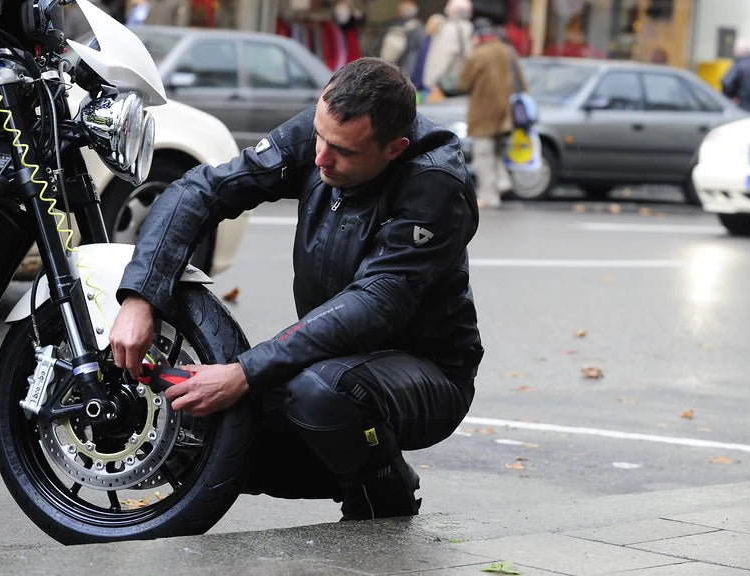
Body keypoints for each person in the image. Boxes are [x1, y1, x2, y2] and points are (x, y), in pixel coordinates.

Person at [109, 57, 482, 521]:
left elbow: (375, 303)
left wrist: (244, 372)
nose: (320, 157)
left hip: (428, 374)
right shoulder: (325, 129)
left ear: (393, 149)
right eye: (319, 138)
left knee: (319, 393)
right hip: (330, 354)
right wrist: (141, 296)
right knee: (198, 434)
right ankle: (350, 463)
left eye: (342, 151)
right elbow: (197, 191)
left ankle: (381, 492)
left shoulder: (434, 182)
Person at [460, 18, 522, 209]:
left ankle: (489, 195)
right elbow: (521, 79)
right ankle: (502, 182)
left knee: (483, 155)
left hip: (483, 112)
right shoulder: (507, 51)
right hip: (505, 113)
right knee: (496, 152)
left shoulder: (477, 55)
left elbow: (463, 83)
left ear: (478, 37)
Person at [422, 0, 474, 102]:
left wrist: (429, 82)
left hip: (444, 87)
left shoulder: (450, 30)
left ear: (452, 10)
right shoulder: (469, 27)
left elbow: (441, 58)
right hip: (461, 85)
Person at [378, 0, 425, 78]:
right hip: (406, 67)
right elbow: (417, 48)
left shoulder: (392, 24)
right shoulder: (417, 26)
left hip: (388, 64)